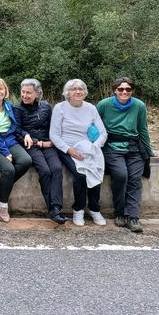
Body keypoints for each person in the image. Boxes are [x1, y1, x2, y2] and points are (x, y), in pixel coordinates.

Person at [97, 77, 154, 234]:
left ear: (131, 91)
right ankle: (119, 213)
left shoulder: (139, 106)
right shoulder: (104, 105)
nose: (124, 92)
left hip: (133, 147)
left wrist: (148, 151)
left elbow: (143, 129)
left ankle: (132, 217)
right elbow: (94, 125)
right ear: (115, 90)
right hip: (111, 146)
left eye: (128, 89)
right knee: (121, 175)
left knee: (135, 179)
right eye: (121, 89)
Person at [50, 79, 108, 227]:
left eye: (81, 89)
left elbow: (103, 133)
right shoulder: (60, 108)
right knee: (81, 175)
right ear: (67, 93)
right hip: (67, 148)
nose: (78, 91)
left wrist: (94, 147)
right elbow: (54, 135)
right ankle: (78, 209)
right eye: (74, 89)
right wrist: (69, 150)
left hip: (88, 147)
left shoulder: (91, 108)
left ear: (85, 92)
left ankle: (95, 209)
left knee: (95, 171)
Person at [0, 78, 33, 223]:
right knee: (9, 170)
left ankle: (2, 185)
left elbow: (16, 127)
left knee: (26, 161)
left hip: (9, 141)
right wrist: (5, 152)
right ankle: (3, 205)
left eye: (1, 89)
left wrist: (25, 134)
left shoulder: (9, 106)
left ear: (5, 91)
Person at [13, 78, 66, 225]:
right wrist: (28, 136)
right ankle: (52, 210)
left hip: (49, 144)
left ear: (38, 93)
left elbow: (54, 126)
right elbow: (16, 131)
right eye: (23, 92)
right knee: (45, 171)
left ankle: (56, 207)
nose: (24, 95)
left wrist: (52, 141)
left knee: (56, 169)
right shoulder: (17, 109)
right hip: (32, 145)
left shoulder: (46, 106)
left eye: (28, 92)